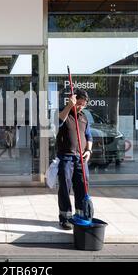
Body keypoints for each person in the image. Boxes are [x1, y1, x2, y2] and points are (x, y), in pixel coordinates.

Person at [56, 89, 93, 230]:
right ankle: (65, 217)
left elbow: (89, 136)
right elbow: (58, 123)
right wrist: (69, 106)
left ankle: (80, 214)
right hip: (66, 157)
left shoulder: (84, 117)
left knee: (83, 185)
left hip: (81, 159)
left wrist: (88, 150)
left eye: (83, 105)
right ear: (73, 100)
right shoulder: (64, 113)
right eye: (78, 103)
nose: (80, 107)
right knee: (65, 187)